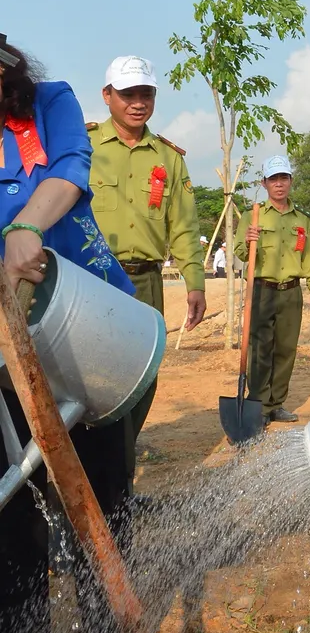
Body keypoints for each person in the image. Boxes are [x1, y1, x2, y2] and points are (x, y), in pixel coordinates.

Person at [0, 38, 139, 633]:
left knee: (99, 481)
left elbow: (71, 170)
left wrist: (22, 227)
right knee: (10, 500)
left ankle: (113, 621)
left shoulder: (48, 103)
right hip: (7, 342)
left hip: (84, 319)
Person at [88, 56, 206, 467]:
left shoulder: (169, 158)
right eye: (127, 94)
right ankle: (96, 468)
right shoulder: (81, 146)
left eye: (146, 94)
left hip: (146, 283)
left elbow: (185, 227)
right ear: (108, 96)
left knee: (142, 379)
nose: (137, 103)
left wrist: (195, 283)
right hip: (92, 279)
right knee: (90, 377)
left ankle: (119, 466)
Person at [235, 155, 310, 424]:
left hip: (290, 293)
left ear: (290, 181)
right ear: (264, 183)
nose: (279, 184)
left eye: (283, 178)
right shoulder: (253, 215)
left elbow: (309, 256)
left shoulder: (302, 220)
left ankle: (276, 404)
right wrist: (248, 241)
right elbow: (240, 252)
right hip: (262, 291)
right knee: (261, 348)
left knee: (286, 349)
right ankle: (259, 405)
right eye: (273, 179)